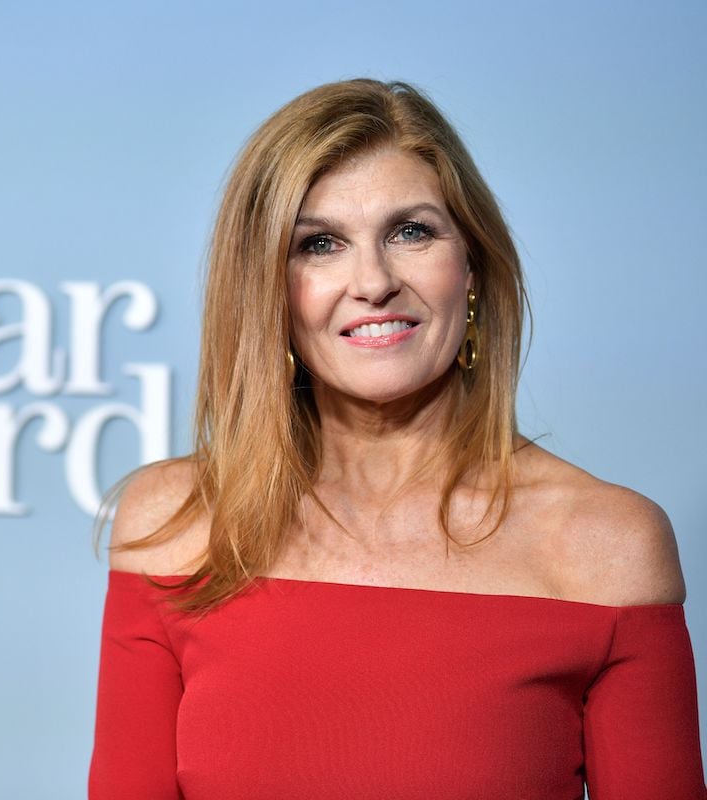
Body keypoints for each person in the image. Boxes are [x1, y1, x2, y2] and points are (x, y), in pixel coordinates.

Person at [87, 78, 706, 799]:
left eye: (411, 231)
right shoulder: (176, 524)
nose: (373, 281)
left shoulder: (607, 545)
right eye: (320, 244)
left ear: (471, 267)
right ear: (269, 291)